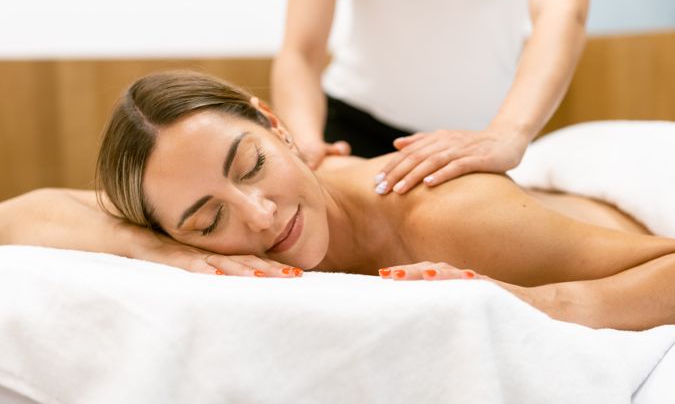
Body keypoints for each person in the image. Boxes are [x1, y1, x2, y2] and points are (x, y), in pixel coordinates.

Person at [2, 71, 675, 332]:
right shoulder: (180, 222)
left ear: (277, 126)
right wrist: (156, 248)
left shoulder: (447, 217)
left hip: (620, 193)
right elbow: (18, 217)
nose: (259, 216)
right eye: (207, 219)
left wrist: (532, 301)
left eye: (253, 167)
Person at [271, 0, 589, 196]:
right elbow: (300, 52)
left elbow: (562, 12)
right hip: (352, 134)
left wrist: (509, 133)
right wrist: (306, 143)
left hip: (477, 144)